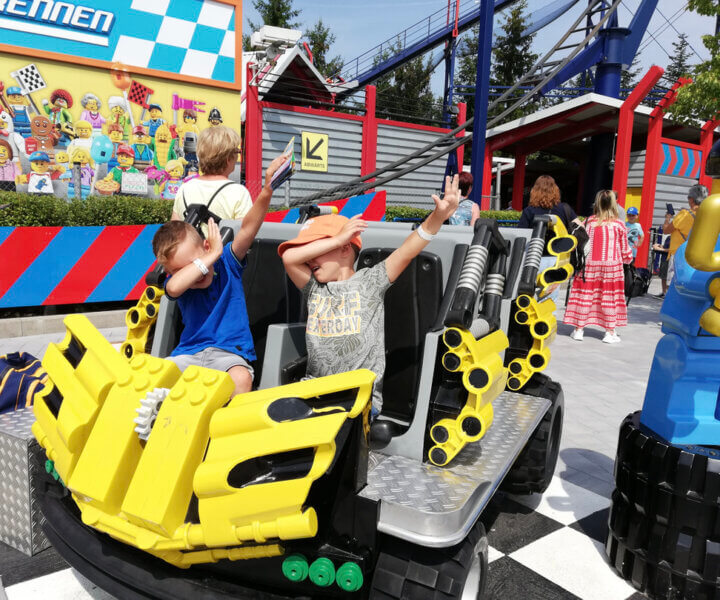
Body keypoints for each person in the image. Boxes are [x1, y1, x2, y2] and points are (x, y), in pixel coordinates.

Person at [279, 175, 461, 417]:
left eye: (315, 248)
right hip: (313, 392)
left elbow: (408, 250)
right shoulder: (313, 289)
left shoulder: (371, 281)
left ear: (345, 249)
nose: (308, 258)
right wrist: (337, 239)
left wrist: (439, 216)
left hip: (358, 398)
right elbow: (289, 258)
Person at [151, 154, 286, 396]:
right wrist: (208, 258)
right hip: (188, 354)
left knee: (241, 379)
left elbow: (248, 227)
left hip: (229, 355)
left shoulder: (228, 263)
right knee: (156, 376)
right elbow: (172, 289)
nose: (195, 273)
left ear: (204, 247)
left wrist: (267, 189)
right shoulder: (182, 280)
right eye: (183, 270)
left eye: (195, 262)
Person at [564, 190, 633, 344]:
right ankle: (609, 332)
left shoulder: (589, 222)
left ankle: (578, 330)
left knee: (585, 296)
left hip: (589, 265)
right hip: (612, 267)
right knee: (609, 297)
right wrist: (629, 259)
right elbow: (625, 250)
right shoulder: (618, 224)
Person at [171, 126, 253, 223]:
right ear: (228, 159)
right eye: (237, 152)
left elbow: (175, 229)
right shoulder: (239, 193)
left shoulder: (184, 189)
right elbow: (245, 234)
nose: (237, 156)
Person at [663, 183, 707, 281]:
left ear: (691, 199)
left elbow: (666, 230)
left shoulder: (684, 214)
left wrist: (667, 218)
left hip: (679, 253)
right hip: (696, 255)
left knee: (674, 285)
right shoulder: (706, 215)